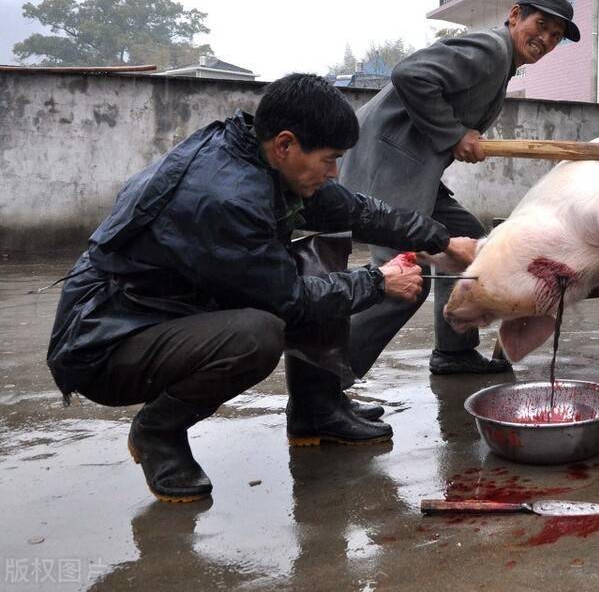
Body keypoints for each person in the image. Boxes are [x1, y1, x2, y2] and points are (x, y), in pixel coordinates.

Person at [46, 74, 475, 503]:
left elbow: (353, 210)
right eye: (329, 159)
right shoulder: (226, 199)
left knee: (317, 254)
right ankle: (158, 431)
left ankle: (315, 410)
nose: (334, 171)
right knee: (257, 335)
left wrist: (440, 240)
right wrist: (378, 282)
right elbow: (290, 302)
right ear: (286, 144)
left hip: (167, 307)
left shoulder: (258, 154)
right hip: (108, 339)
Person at [339, 0, 580, 376]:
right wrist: (453, 134)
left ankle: (454, 351)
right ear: (515, 15)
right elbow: (410, 74)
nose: (546, 40)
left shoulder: (502, 64)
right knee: (403, 281)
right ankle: (325, 385)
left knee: (464, 236)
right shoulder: (491, 49)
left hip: (413, 175)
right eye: (541, 25)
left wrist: (455, 134)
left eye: (555, 36)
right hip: (386, 171)